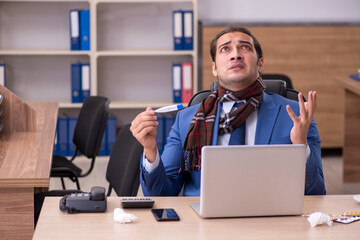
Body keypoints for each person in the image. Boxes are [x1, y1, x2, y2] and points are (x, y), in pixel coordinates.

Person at [130, 26, 326, 196]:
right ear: (214, 68)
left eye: (245, 47)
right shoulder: (186, 119)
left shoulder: (296, 115)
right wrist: (150, 150)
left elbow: (316, 193)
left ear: (260, 64)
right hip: (204, 223)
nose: (236, 54)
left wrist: (301, 146)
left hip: (272, 221)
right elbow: (163, 193)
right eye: (225, 49)